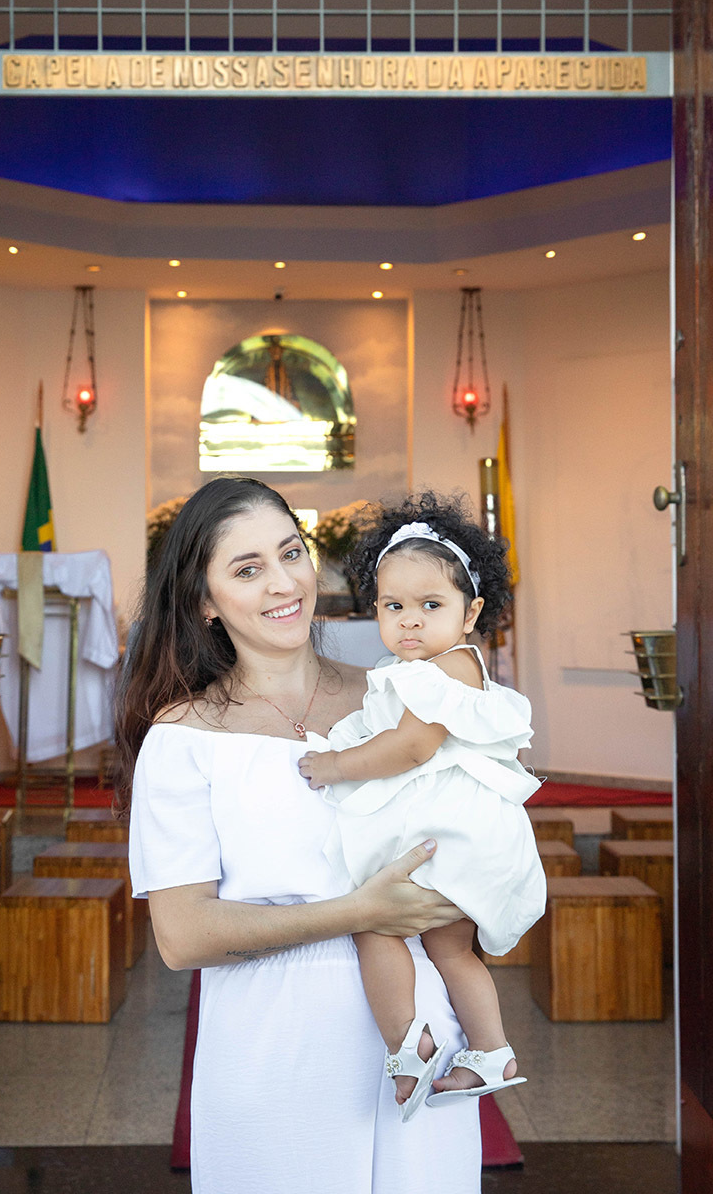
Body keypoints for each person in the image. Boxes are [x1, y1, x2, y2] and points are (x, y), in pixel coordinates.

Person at [116, 476, 482, 1194]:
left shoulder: (398, 697)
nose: (284, 583)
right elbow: (182, 936)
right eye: (247, 569)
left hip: (420, 1026)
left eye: (291, 553)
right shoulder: (184, 737)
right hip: (274, 1041)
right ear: (203, 600)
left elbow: (467, 827)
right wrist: (361, 913)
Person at [298, 490, 546, 1123]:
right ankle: (488, 1052)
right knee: (445, 949)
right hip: (451, 832)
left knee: (376, 923)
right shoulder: (419, 666)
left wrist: (333, 766)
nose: (410, 621)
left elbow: (410, 747)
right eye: (394, 606)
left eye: (431, 606)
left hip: (455, 835)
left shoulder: (454, 666)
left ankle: (410, 1042)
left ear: (472, 613)